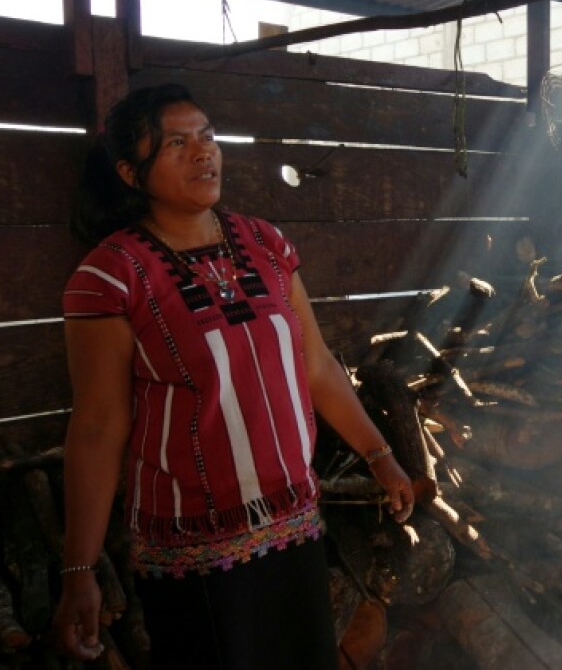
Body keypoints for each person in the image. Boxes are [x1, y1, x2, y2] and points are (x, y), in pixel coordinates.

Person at [51, 84, 415, 669]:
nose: (203, 153)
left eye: (208, 136)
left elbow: (316, 365)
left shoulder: (265, 244)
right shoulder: (111, 276)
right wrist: (79, 569)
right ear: (129, 171)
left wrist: (380, 455)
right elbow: (97, 426)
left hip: (292, 528)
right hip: (193, 553)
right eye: (177, 142)